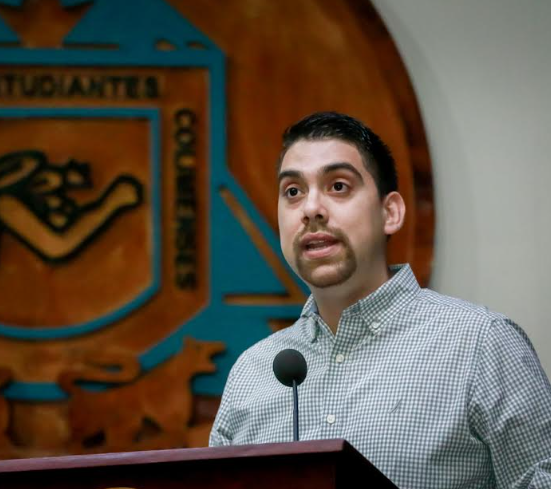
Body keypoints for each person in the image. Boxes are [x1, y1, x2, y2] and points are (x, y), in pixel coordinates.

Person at [209, 112, 551, 488]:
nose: (310, 209)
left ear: (390, 212)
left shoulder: (481, 344)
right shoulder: (251, 373)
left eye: (338, 186)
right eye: (293, 192)